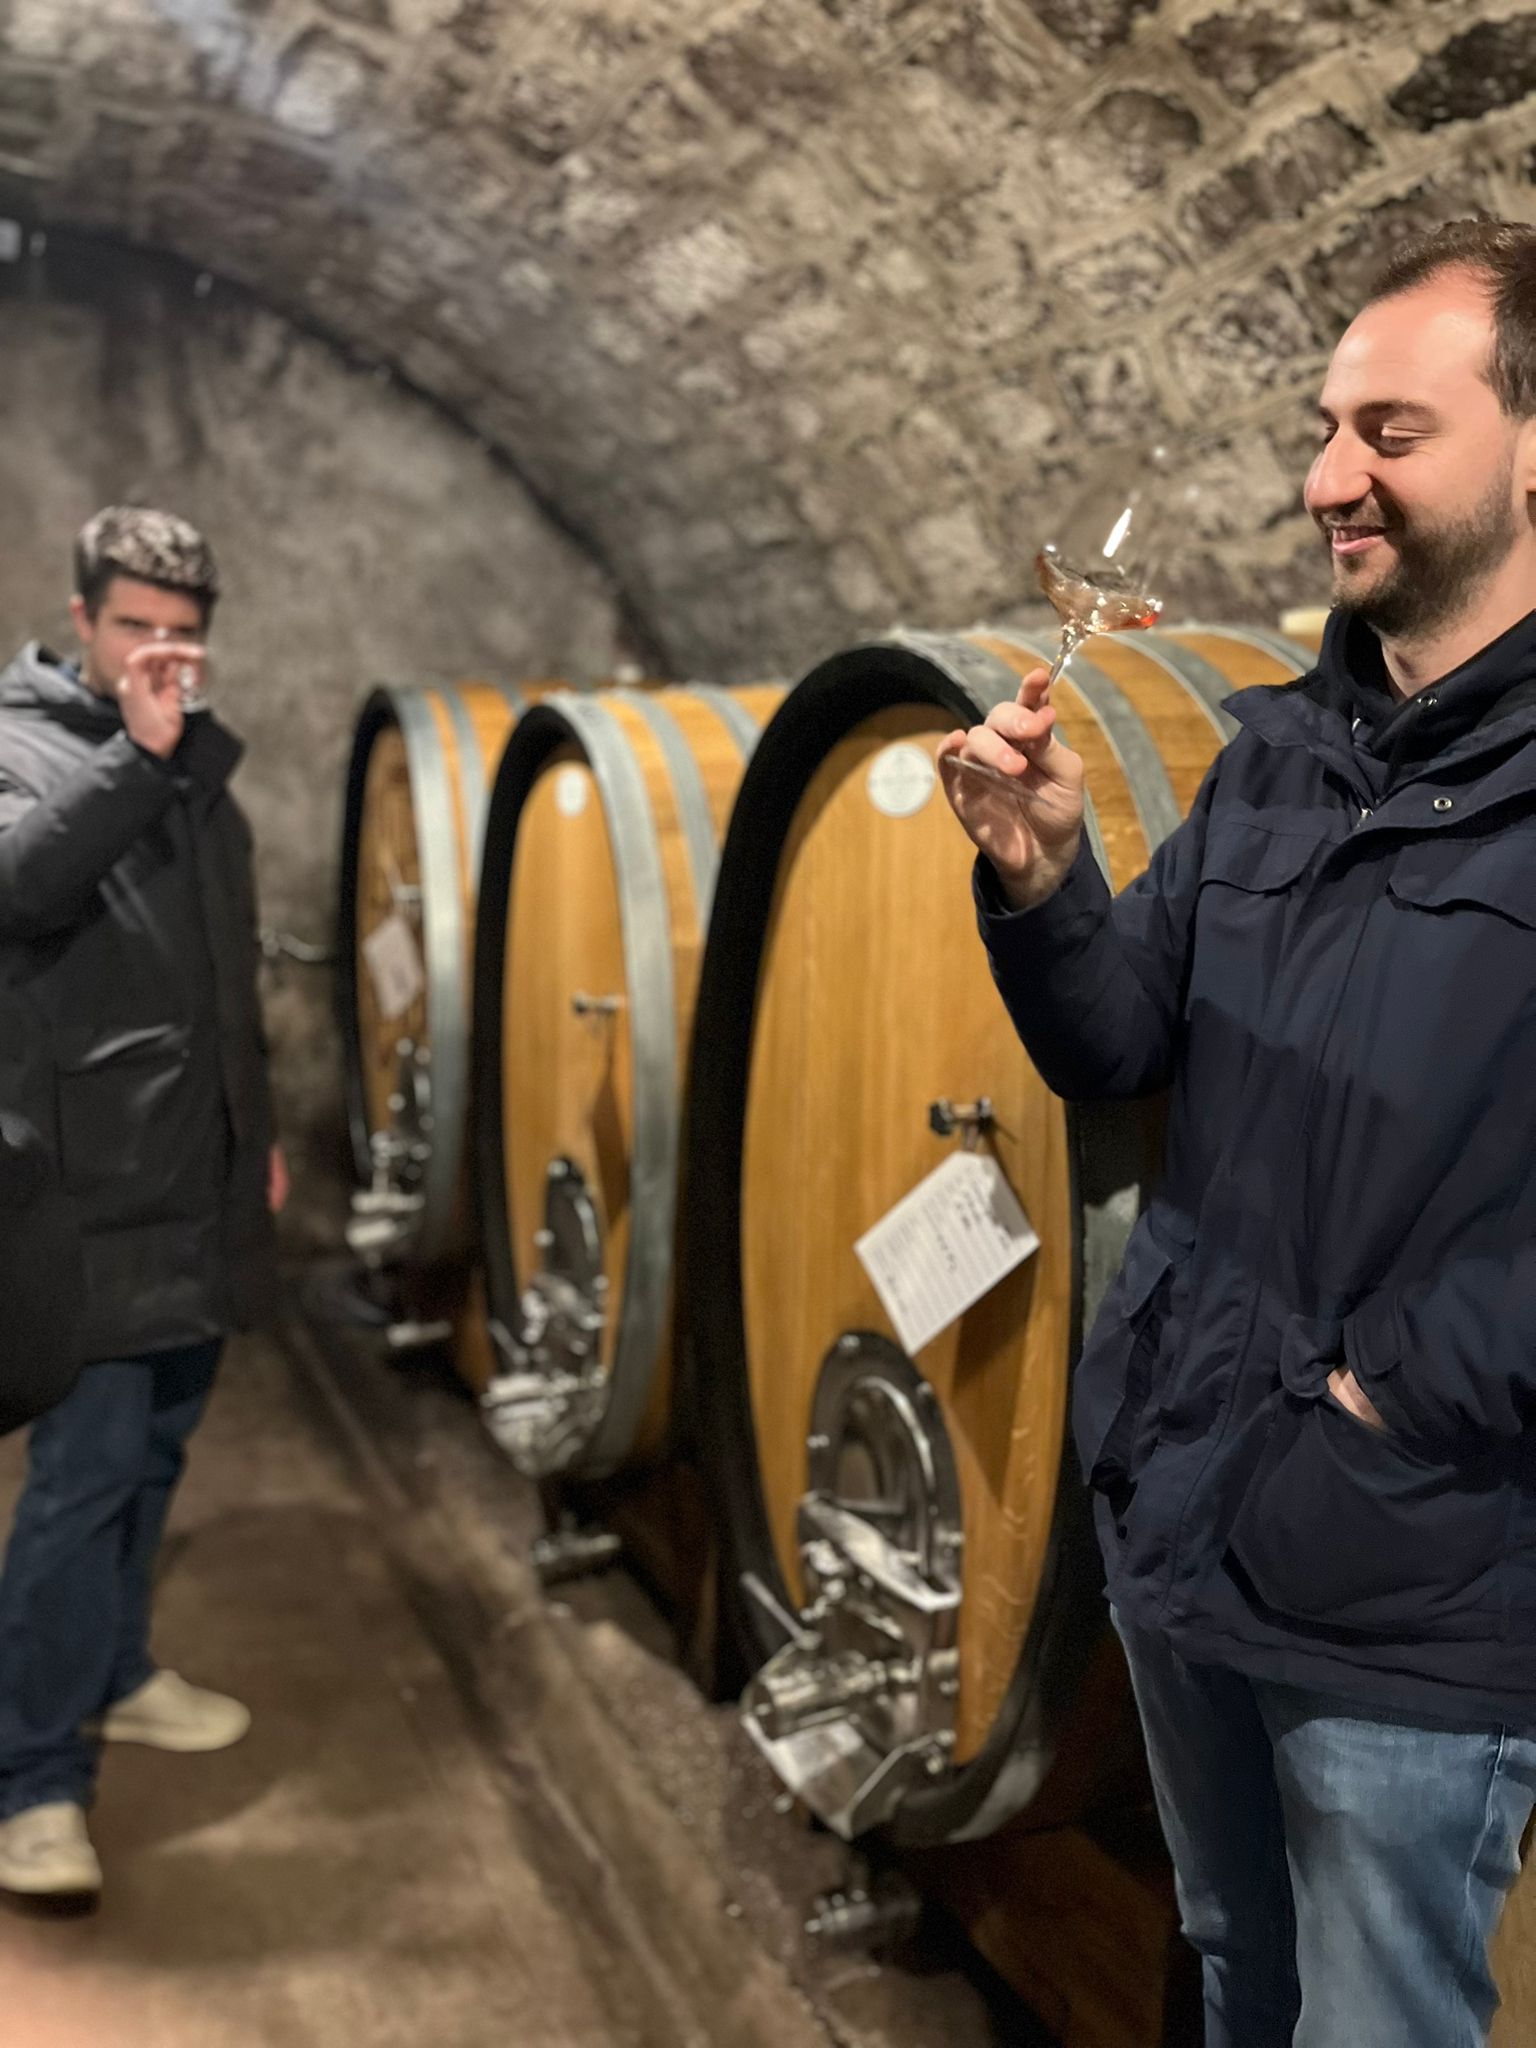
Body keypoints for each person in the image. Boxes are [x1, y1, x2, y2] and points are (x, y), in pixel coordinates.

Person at [940, 218, 1536, 2047]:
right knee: (1226, 1970)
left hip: (1409, 1578)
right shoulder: (1279, 752)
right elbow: (1116, 1043)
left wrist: (1381, 1396)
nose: (1326, 478)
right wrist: (1042, 880)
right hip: (1187, 1509)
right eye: (1325, 430)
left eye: (1391, 433)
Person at [0, 507, 287, 1898]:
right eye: (134, 628)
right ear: (81, 621)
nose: (161, 652)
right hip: (90, 1197)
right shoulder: (23, 748)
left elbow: (230, 974)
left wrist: (258, 1139)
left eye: (183, 633)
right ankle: (30, 1781)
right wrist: (139, 752)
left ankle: (113, 1673)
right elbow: (18, 886)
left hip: (197, 1184)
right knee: (84, 1480)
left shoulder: (191, 770)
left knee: (160, 1451)